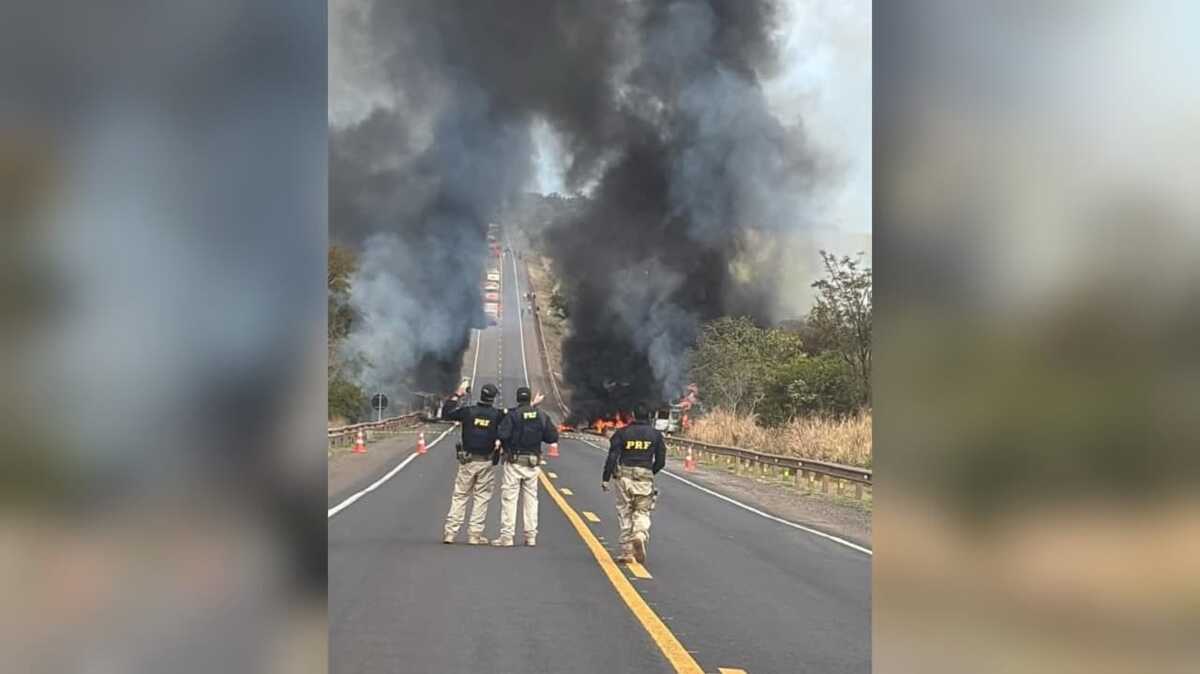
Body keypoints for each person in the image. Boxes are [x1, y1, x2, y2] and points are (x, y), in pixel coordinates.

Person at [440, 381, 505, 544]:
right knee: (481, 498)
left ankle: (450, 532)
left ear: (481, 396)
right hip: (486, 462)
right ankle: (475, 535)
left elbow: (446, 413)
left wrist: (457, 394)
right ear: (493, 398)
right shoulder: (497, 415)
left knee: (460, 496)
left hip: (467, 461)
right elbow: (515, 418)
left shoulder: (468, 412)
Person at [601, 403, 666, 563]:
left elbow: (612, 457)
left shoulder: (622, 433)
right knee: (642, 512)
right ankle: (640, 534)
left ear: (633, 415)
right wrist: (650, 472)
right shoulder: (656, 435)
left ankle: (627, 552)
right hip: (644, 478)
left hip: (624, 477)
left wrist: (606, 478)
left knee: (625, 512)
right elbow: (661, 461)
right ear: (650, 416)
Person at [492, 387, 555, 547]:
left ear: (517, 399)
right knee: (531, 500)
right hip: (533, 463)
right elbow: (552, 436)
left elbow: (503, 434)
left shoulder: (513, 415)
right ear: (529, 400)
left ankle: (507, 536)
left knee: (509, 499)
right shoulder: (541, 416)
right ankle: (531, 536)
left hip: (514, 462)